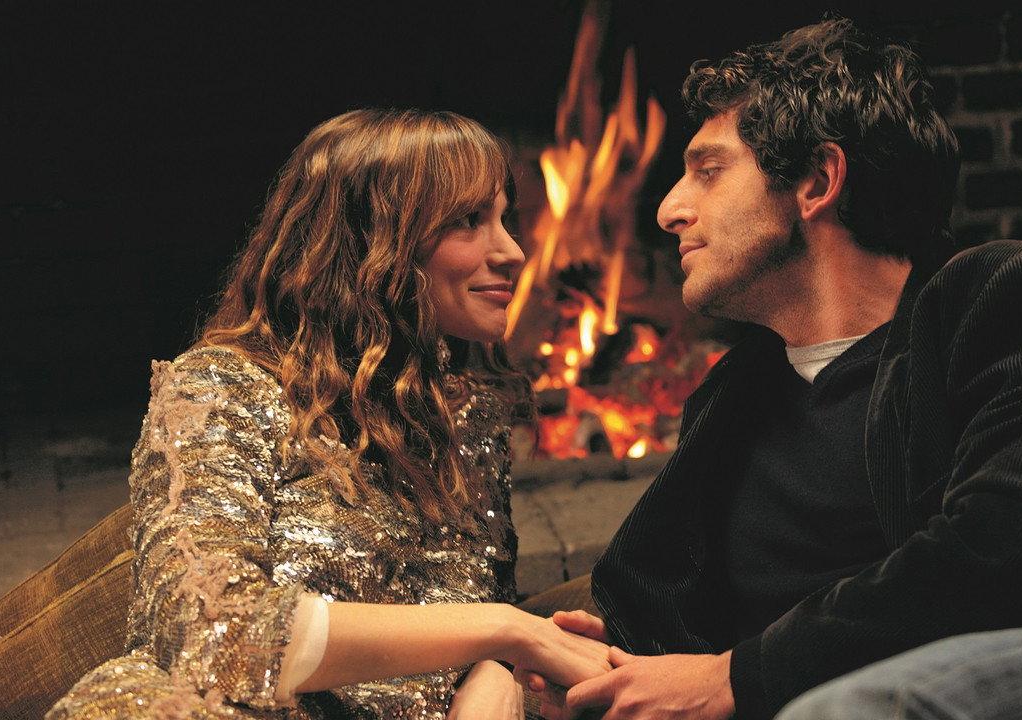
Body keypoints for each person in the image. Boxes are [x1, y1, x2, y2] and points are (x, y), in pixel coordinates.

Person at [528, 17, 1022, 720]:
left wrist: (739, 677)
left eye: (708, 172)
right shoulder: (734, 395)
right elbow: (659, 599)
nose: (668, 210)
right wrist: (611, 661)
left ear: (817, 180)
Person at [46, 108, 611, 720]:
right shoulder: (223, 387)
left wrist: (498, 673)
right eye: (467, 221)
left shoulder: (469, 418)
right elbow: (208, 626)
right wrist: (507, 631)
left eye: (505, 219)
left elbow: (469, 608)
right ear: (372, 239)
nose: (514, 251)